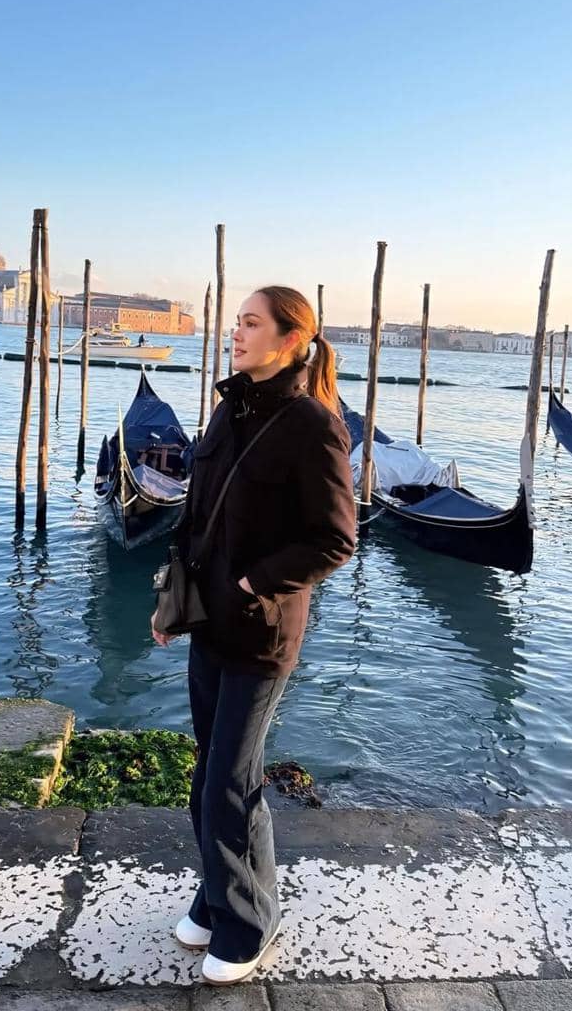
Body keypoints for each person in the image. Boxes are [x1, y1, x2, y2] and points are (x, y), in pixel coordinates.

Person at [151, 285, 356, 985]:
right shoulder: (228, 407)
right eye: (235, 322)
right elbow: (196, 513)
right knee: (210, 778)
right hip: (206, 623)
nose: (235, 333)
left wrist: (248, 585)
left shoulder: (312, 426)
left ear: (289, 340)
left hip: (262, 634)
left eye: (250, 323)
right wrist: (170, 598)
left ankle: (248, 923)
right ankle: (217, 899)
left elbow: (334, 541)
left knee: (228, 787)